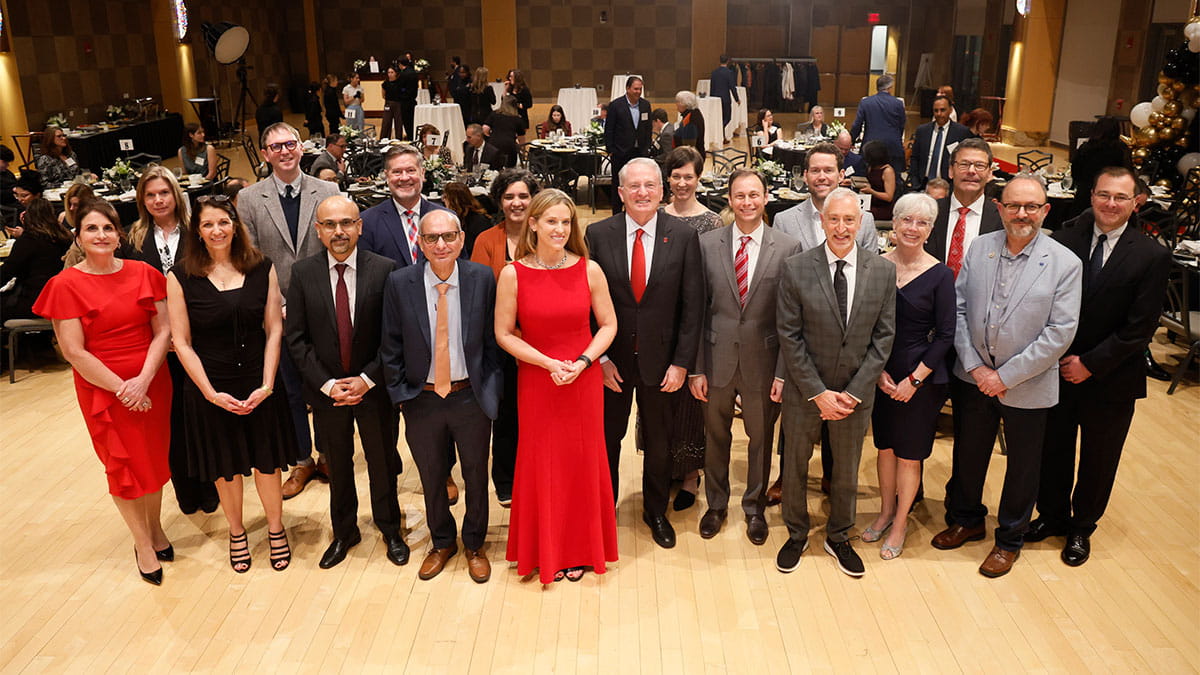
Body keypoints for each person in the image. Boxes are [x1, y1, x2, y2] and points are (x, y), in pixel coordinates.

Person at [933, 175, 1081, 578]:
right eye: (1014, 205)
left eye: (1032, 207)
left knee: (1022, 467)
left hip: (1028, 384)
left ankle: (1009, 539)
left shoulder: (1065, 263)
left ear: (1045, 211)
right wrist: (978, 368)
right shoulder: (980, 249)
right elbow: (958, 311)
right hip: (974, 377)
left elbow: (1060, 333)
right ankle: (966, 519)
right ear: (999, 208)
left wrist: (1005, 376)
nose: (1022, 214)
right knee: (968, 454)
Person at [1027, 167, 1170, 566]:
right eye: (1104, 194)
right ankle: (1051, 517)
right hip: (1055, 368)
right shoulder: (1065, 236)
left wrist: (1090, 364)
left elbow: (1140, 328)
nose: (1111, 204)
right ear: (1091, 195)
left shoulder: (1151, 254)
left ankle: (1081, 528)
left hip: (1111, 377)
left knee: (1098, 456)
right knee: (1052, 449)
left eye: (1120, 198)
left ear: (1136, 202)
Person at [33, 199, 174, 585]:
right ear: (77, 236)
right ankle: (142, 543)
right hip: (103, 389)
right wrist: (124, 388)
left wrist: (143, 380)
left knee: (153, 459)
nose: (100, 235)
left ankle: (157, 527)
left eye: (107, 228)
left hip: (152, 380)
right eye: (91, 229)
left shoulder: (143, 273)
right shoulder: (64, 285)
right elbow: (74, 350)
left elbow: (163, 331)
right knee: (123, 466)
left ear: (119, 234)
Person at [167, 195, 298, 573]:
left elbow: (274, 330)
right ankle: (237, 532)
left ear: (235, 225)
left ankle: (276, 529)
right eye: (208, 224)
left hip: (260, 379)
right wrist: (210, 393)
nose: (217, 230)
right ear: (198, 231)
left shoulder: (262, 267)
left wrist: (268, 384)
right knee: (226, 468)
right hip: (211, 387)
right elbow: (182, 342)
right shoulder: (179, 277)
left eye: (223, 222)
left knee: (267, 463)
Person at [496, 188, 619, 583]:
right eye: (552, 221)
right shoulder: (513, 274)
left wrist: (584, 362)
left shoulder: (590, 269)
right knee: (542, 463)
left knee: (582, 462)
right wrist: (548, 362)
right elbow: (504, 333)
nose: (560, 229)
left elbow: (609, 324)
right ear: (532, 223)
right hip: (537, 380)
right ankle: (544, 550)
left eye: (566, 222)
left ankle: (581, 550)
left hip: (581, 382)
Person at [775, 187, 897, 578]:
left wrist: (853, 392)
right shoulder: (796, 267)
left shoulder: (882, 270)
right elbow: (789, 336)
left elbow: (883, 338)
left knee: (846, 469)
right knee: (794, 464)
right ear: (822, 221)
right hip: (805, 390)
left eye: (849, 220)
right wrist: (817, 392)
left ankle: (838, 535)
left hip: (852, 395)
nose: (841, 228)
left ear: (861, 223)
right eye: (834, 219)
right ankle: (796, 533)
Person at [584, 158, 704, 549]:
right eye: (633, 186)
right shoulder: (597, 234)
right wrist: (598, 361)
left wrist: (682, 363)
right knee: (607, 440)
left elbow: (693, 306)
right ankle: (602, 511)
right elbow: (586, 305)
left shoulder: (683, 236)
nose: (642, 193)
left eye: (650, 186)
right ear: (620, 193)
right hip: (611, 364)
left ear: (661, 191)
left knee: (658, 443)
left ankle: (655, 511)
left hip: (663, 365)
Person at [381, 209, 503, 583]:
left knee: (475, 475)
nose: (441, 245)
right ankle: (442, 541)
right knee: (432, 476)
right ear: (420, 241)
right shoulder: (400, 282)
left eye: (448, 236)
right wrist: (403, 394)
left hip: (470, 396)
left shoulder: (482, 278)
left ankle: (475, 543)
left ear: (462, 239)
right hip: (423, 397)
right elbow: (390, 344)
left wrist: (491, 392)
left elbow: (493, 341)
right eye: (432, 238)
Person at [286, 195, 407, 570]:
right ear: (319, 231)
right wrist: (328, 385)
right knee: (336, 465)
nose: (339, 232)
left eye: (347, 223)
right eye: (330, 225)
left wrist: (367, 379)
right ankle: (344, 532)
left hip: (374, 389)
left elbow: (395, 335)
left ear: (360, 227)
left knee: (382, 461)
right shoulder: (302, 273)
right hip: (327, 395)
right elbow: (297, 338)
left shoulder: (385, 269)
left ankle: (390, 529)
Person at [690, 169, 799, 543]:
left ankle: (754, 507)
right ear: (730, 199)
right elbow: (697, 312)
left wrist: (784, 373)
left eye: (754, 195)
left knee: (760, 438)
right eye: (740, 196)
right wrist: (696, 368)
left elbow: (790, 319)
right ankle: (716, 504)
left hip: (764, 363)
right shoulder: (706, 244)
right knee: (715, 435)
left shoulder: (787, 247)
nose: (747, 202)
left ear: (766, 197)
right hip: (715, 359)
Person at [237, 122, 341, 498]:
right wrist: (277, 304)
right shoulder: (249, 198)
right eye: (275, 146)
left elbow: (338, 245)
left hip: (325, 306)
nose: (284, 151)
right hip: (275, 311)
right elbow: (250, 257)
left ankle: (330, 454)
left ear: (301, 148)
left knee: (325, 386)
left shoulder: (328, 190)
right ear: (265, 154)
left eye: (290, 144)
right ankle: (301, 461)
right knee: (291, 390)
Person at [862, 193, 955, 560]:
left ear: (930, 230)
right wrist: (877, 372)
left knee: (909, 455)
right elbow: (865, 325)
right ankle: (885, 512)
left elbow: (947, 334)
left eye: (921, 223)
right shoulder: (877, 265)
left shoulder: (940, 274)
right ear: (894, 225)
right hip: (882, 373)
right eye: (906, 220)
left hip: (922, 377)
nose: (912, 228)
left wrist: (914, 380)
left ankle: (901, 522)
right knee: (884, 448)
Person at [125, 166, 221, 515]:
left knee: (204, 414)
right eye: (150, 195)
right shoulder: (133, 238)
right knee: (174, 420)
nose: (158, 200)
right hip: (158, 344)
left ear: (176, 195)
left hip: (201, 338)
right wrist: (161, 335)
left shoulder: (199, 231)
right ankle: (187, 492)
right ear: (142, 200)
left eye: (164, 192)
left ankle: (212, 487)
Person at [472, 168, 541, 505]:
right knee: (506, 416)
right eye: (509, 196)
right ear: (500, 200)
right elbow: (479, 297)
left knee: (540, 415)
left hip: (542, 345)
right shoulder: (487, 240)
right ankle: (506, 480)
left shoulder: (546, 236)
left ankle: (539, 477)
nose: (517, 203)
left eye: (523, 196)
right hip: (500, 345)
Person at [662, 146, 722, 508]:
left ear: (698, 179)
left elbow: (713, 281)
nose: (682, 182)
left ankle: (690, 474)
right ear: (667, 178)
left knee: (690, 402)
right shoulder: (655, 214)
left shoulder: (712, 222)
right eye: (676, 175)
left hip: (696, 322)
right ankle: (665, 466)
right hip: (660, 323)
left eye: (689, 176)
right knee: (660, 400)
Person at [360, 144, 452, 268]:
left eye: (411, 170)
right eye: (397, 172)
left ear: (422, 173)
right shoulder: (368, 221)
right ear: (387, 176)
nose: (404, 178)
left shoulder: (447, 218)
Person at [924, 138, 1002, 275]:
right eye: (964, 164)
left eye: (979, 165)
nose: (971, 171)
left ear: (990, 173)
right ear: (951, 171)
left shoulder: (1002, 218)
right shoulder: (929, 212)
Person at [2, 198, 72, 319]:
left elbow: (8, 271)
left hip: (35, 301)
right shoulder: (65, 236)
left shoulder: (29, 240)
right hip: (61, 300)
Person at [605, 77, 653, 212]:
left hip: (640, 153)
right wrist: (611, 149)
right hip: (621, 153)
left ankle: (635, 211)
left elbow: (648, 128)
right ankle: (616, 215)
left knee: (638, 184)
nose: (638, 92)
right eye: (635, 89)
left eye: (640, 89)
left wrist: (647, 148)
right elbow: (609, 129)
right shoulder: (616, 105)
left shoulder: (645, 105)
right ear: (627, 89)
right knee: (618, 185)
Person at [1070, 117, 1133, 214]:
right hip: (1111, 195)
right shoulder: (1121, 150)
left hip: (1084, 194)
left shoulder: (1086, 148)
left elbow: (1075, 172)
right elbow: (1128, 173)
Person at [908, 95, 971, 191]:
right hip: (923, 184)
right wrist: (915, 181)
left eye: (943, 110)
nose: (939, 114)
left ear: (950, 110)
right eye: (936, 111)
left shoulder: (961, 132)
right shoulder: (922, 130)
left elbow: (964, 160)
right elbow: (915, 158)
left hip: (948, 185)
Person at [850, 74, 906, 175]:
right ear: (890, 88)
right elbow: (901, 125)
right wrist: (898, 138)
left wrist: (851, 141)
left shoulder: (866, 102)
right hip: (892, 145)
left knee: (868, 177)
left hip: (870, 146)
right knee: (893, 178)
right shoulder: (898, 103)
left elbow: (857, 125)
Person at [442, 181, 491, 257]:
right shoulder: (463, 217)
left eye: (445, 197)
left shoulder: (477, 221)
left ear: (453, 201)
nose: (443, 201)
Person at [483, 95, 527, 169]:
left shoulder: (494, 114)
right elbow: (521, 138)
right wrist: (523, 151)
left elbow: (485, 129)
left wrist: (491, 137)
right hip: (509, 145)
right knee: (509, 169)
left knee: (493, 168)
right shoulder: (517, 119)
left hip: (493, 144)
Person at [860, 140, 896, 222]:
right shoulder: (871, 167)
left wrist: (872, 191)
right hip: (870, 202)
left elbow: (889, 197)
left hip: (883, 208)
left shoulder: (887, 171)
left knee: (861, 214)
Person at [710, 54, 741, 139]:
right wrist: (737, 99)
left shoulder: (714, 72)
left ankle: (721, 135)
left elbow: (712, 87)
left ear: (719, 61)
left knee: (719, 118)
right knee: (727, 118)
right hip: (725, 99)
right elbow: (732, 87)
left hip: (716, 99)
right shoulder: (729, 73)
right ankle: (721, 134)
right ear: (728, 61)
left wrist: (711, 98)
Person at [672, 90, 706, 162]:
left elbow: (689, 147)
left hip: (691, 160)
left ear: (684, 104)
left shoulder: (691, 118)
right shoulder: (692, 114)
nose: (676, 104)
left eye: (678, 102)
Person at [397, 59, 421, 141]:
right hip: (413, 100)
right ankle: (413, 138)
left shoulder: (403, 74)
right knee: (412, 121)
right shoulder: (414, 72)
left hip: (405, 101)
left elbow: (400, 87)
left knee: (407, 123)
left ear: (400, 64)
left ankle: (410, 139)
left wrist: (402, 91)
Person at [380, 66, 405, 140]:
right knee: (386, 122)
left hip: (398, 104)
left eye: (392, 72)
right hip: (388, 103)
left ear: (396, 73)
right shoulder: (385, 83)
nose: (390, 74)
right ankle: (384, 139)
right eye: (388, 72)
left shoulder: (400, 83)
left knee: (398, 123)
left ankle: (398, 139)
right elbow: (383, 95)